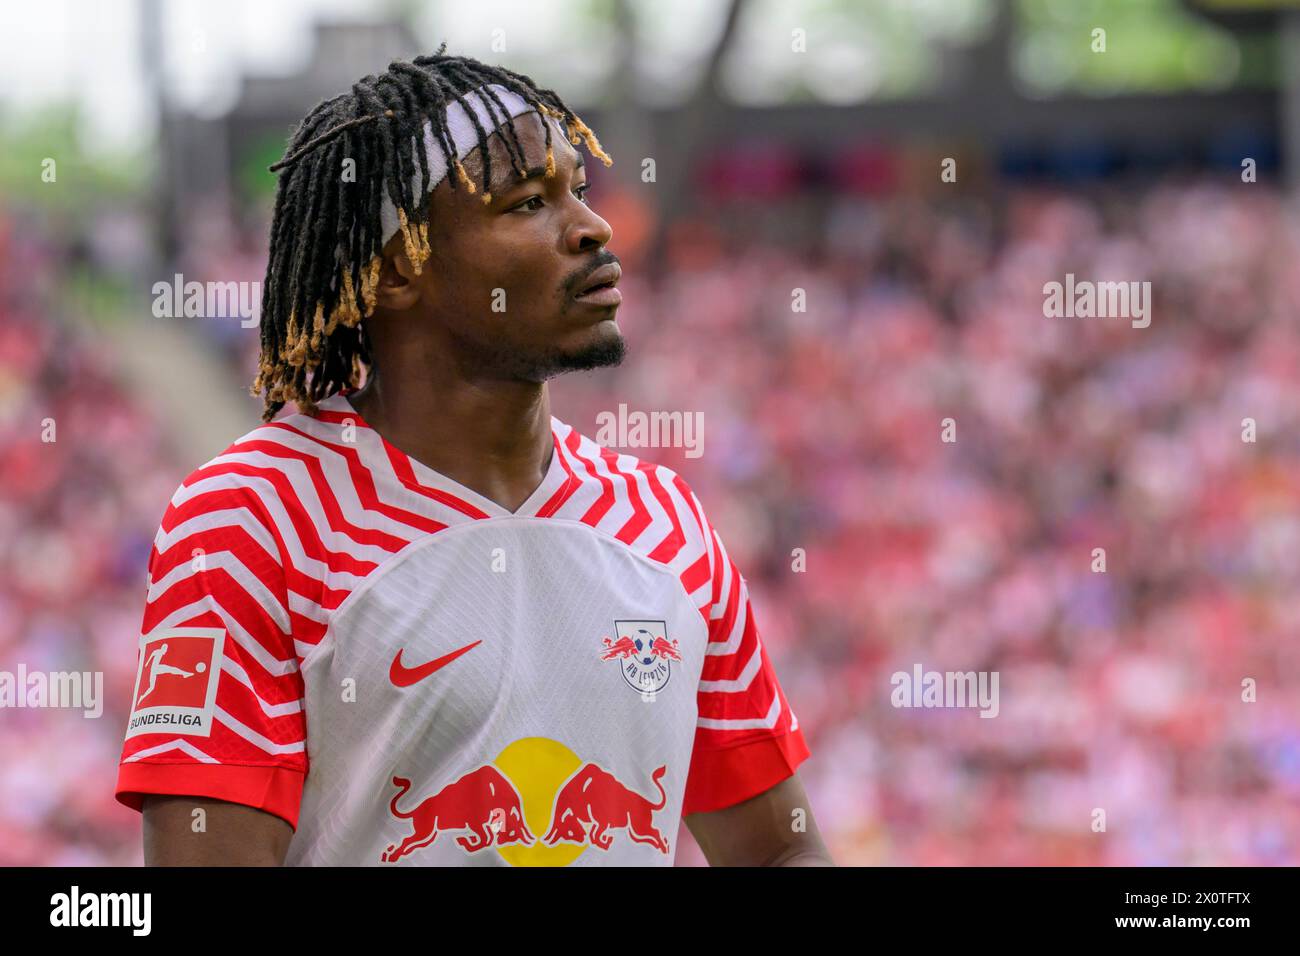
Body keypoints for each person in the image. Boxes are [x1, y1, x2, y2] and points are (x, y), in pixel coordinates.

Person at [115, 47, 830, 866]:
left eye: (578, 191)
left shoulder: (665, 520)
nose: (593, 227)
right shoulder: (251, 518)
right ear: (395, 271)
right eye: (527, 202)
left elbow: (779, 850)